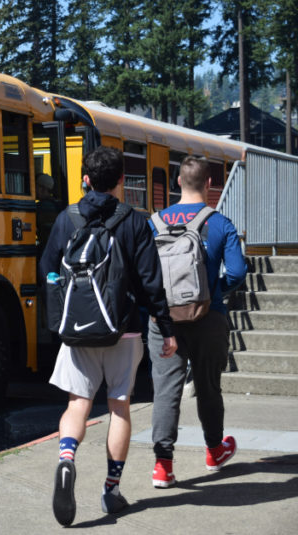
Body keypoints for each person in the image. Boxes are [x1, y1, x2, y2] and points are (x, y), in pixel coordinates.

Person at [38, 146, 178, 526]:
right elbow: (152, 282)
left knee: (77, 404)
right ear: (120, 182)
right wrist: (166, 329)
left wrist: (62, 315)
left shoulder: (67, 219)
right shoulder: (134, 221)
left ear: (86, 179)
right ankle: (111, 490)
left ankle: (66, 458)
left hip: (78, 330)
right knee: (119, 406)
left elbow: (48, 269)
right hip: (125, 329)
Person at [148, 156, 247, 488]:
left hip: (164, 323)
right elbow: (236, 272)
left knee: (165, 392)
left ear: (177, 182)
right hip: (209, 317)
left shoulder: (153, 223)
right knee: (208, 387)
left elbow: (142, 274)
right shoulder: (220, 224)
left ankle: (163, 467)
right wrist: (213, 292)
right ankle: (215, 450)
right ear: (209, 185)